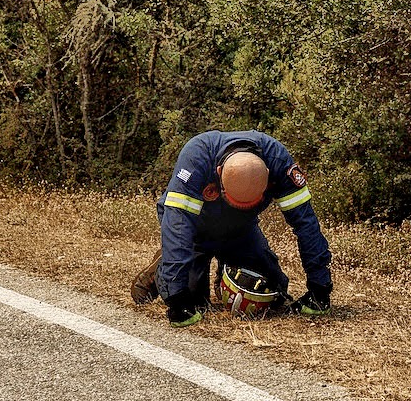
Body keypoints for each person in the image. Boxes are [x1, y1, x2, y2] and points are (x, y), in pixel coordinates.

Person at [131, 129, 333, 326]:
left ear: (268, 175)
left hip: (241, 229)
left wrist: (320, 288)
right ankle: (162, 265)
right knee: (194, 302)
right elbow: (178, 228)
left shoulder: (278, 161)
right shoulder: (196, 157)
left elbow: (307, 226)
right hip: (194, 231)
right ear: (218, 174)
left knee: (273, 293)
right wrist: (175, 298)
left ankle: (225, 268)